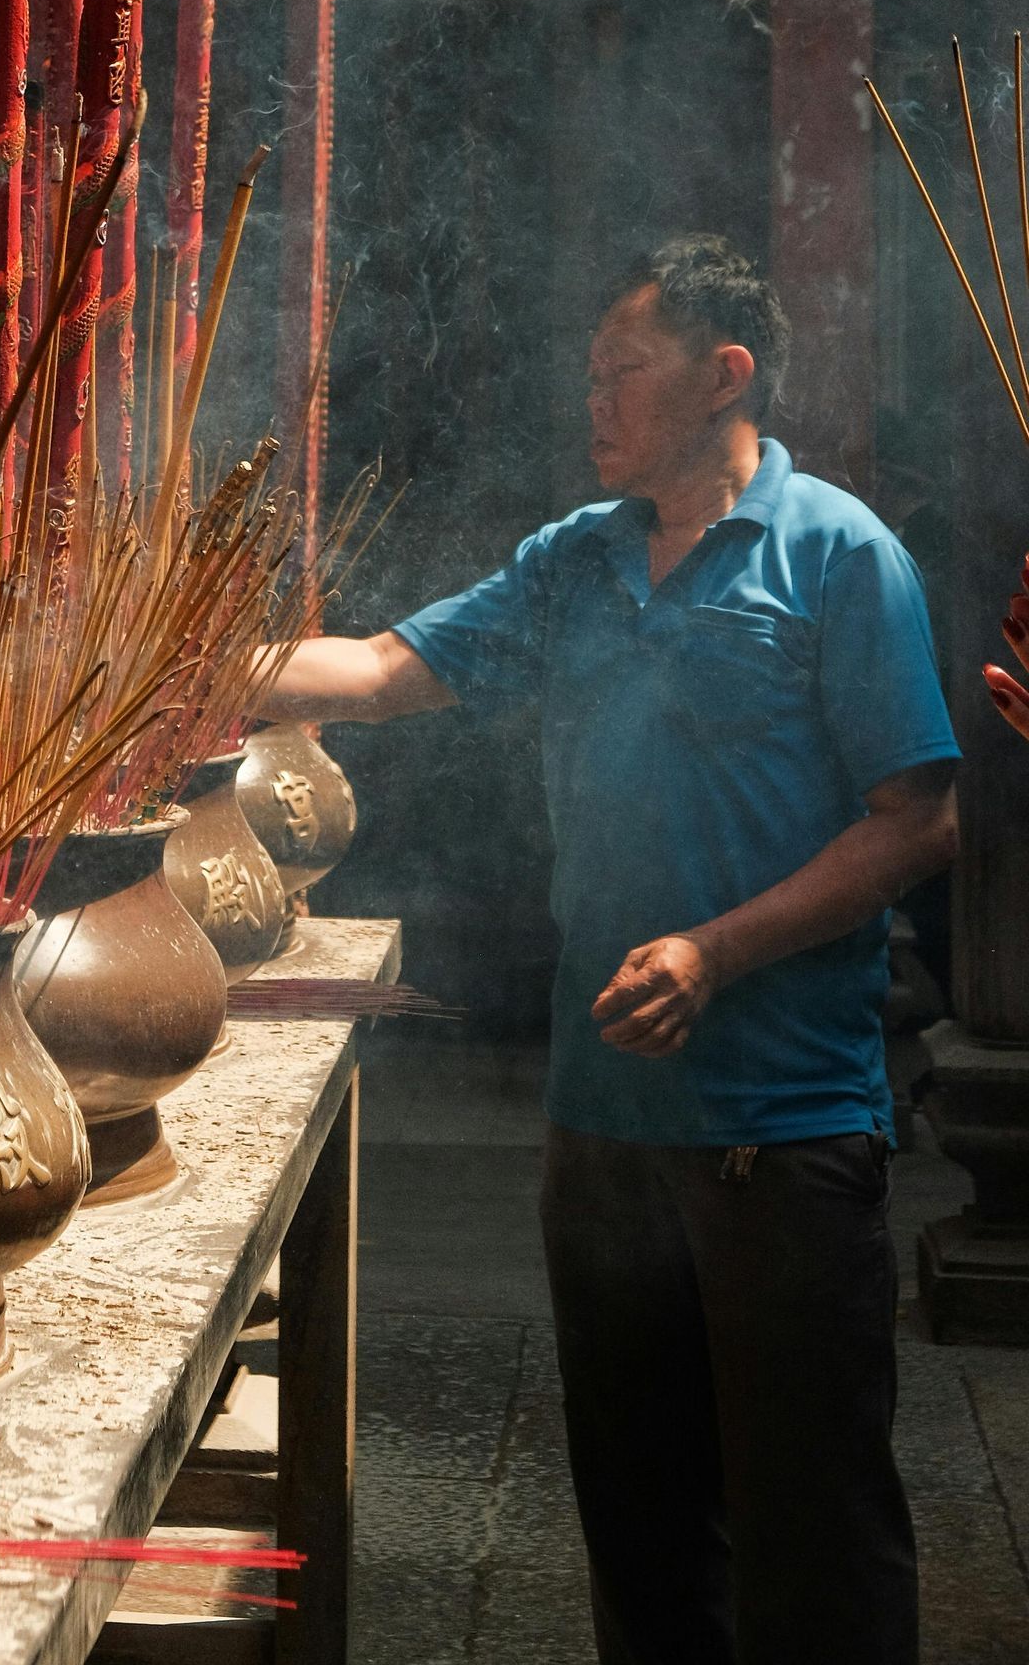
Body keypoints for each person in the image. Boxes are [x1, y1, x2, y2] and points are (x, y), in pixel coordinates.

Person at [268, 234, 960, 1665]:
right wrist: (173, 665)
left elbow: (916, 823)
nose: (593, 404)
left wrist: (711, 952)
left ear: (724, 377)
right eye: (588, 376)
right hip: (601, 1128)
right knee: (641, 1527)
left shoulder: (839, 556)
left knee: (813, 1534)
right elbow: (393, 672)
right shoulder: (573, 562)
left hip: (781, 1128)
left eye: (621, 374)